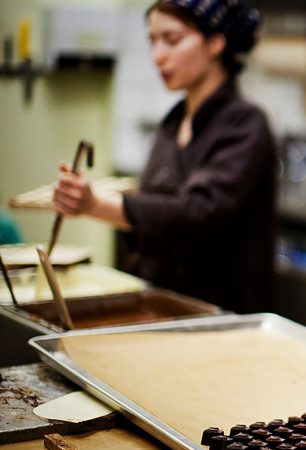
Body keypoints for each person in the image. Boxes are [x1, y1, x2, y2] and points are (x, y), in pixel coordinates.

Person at [53, 0, 277, 313]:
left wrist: (96, 205)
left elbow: (197, 214)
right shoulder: (173, 123)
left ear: (214, 43)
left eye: (172, 40)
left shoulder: (244, 123)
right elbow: (158, 210)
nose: (159, 55)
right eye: (153, 41)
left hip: (221, 320)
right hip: (164, 307)